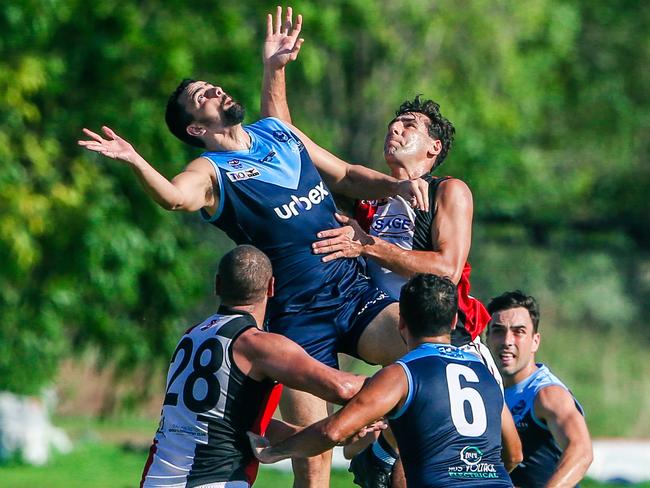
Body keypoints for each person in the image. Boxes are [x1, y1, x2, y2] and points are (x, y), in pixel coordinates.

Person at [79, 7, 425, 487]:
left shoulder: (277, 133)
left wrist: (395, 187)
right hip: (296, 316)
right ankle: (371, 450)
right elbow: (176, 199)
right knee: (315, 453)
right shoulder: (210, 170)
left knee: (427, 360)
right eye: (202, 95)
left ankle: (383, 456)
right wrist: (136, 160)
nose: (215, 90)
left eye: (213, 85)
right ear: (196, 128)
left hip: (351, 291)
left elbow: (344, 174)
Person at [260, 9, 501, 487]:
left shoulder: (448, 191)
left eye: (409, 125)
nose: (396, 128)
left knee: (453, 448)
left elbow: (447, 269)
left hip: (425, 332)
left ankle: (386, 445)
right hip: (350, 315)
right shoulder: (367, 192)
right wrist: (275, 70)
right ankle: (379, 442)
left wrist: (366, 247)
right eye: (394, 123)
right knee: (314, 460)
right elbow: (287, 141)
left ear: (433, 149)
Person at [249, 274, 522, 487]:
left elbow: (332, 432)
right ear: (453, 323)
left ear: (401, 322)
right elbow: (514, 455)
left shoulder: (402, 374)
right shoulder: (483, 372)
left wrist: (274, 451)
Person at [140, 245, 370, 488]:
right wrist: (401, 380)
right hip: (216, 481)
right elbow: (343, 389)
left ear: (217, 284)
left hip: (156, 480)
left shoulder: (191, 336)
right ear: (271, 287)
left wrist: (320, 436)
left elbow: (230, 423)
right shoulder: (257, 345)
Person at [486, 291, 593, 487]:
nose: (507, 341)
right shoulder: (485, 390)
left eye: (518, 332)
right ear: (487, 338)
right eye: (498, 331)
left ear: (535, 341)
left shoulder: (547, 394)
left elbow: (581, 452)